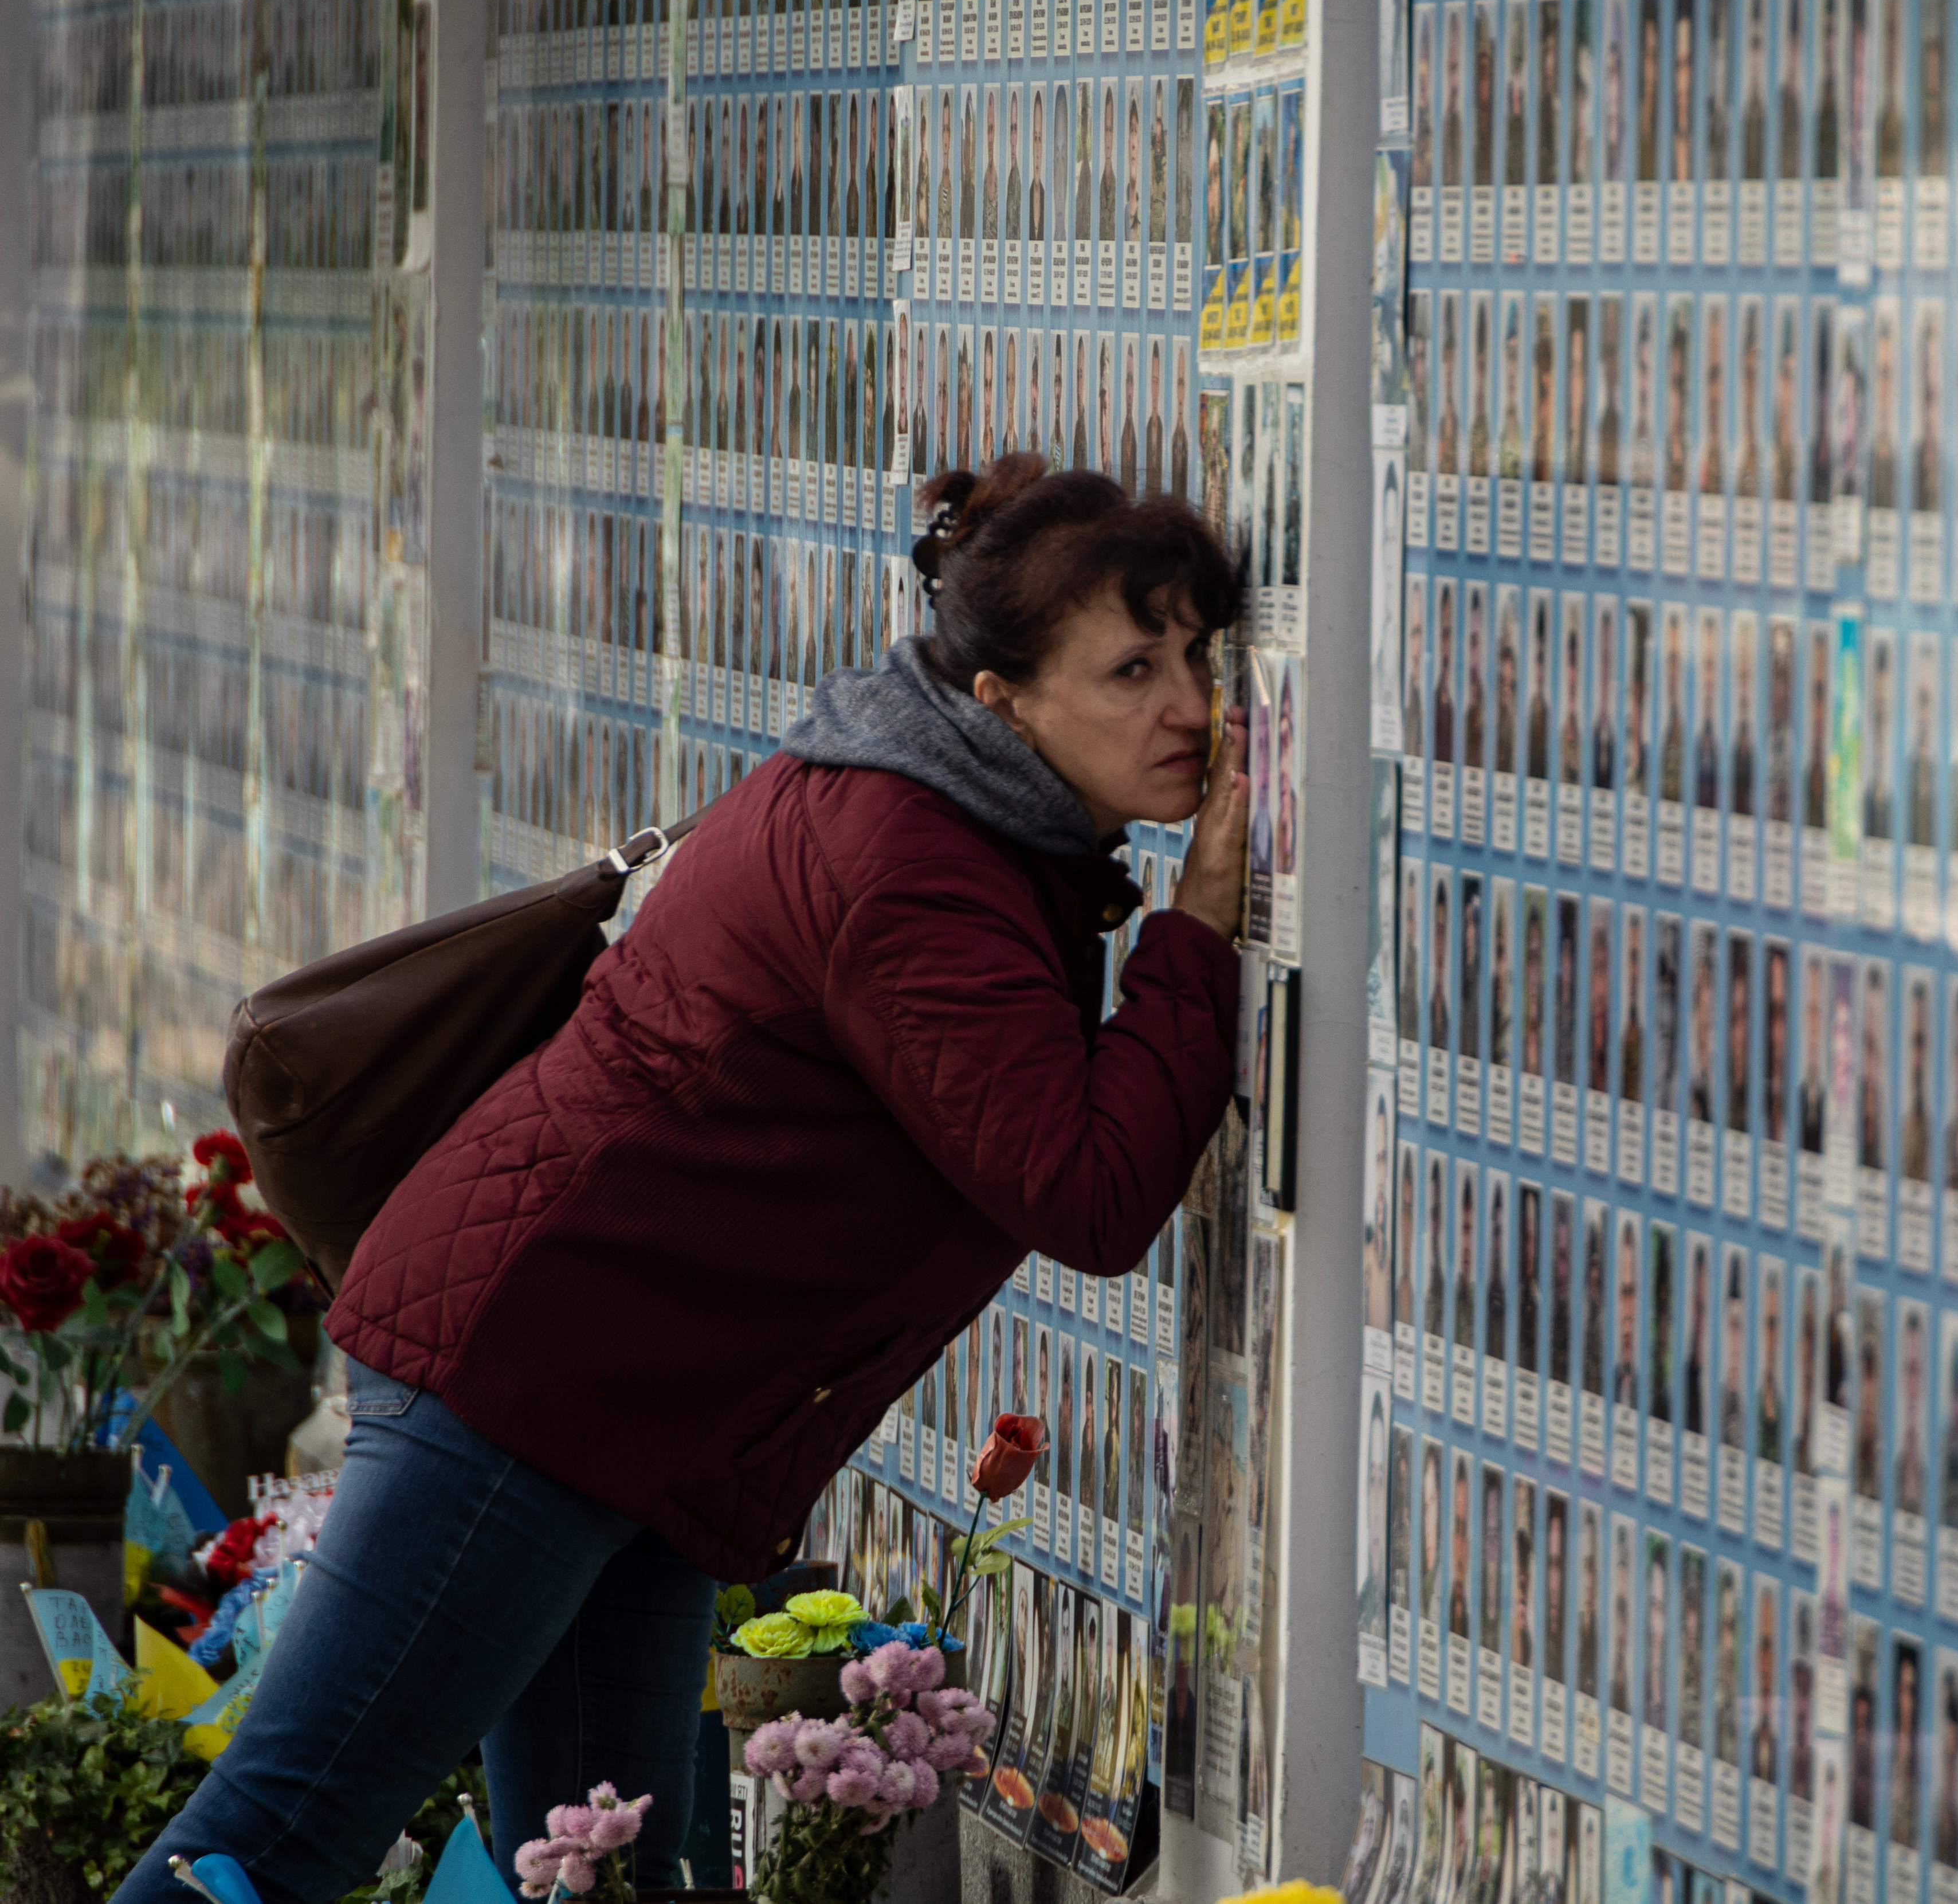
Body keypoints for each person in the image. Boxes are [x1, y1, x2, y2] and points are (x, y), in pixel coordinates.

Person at [125, 457, 1246, 1904]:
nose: (1190, 709)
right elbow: (1084, 1189)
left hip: (624, 1418)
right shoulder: (915, 862)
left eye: (1199, 655)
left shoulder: (935, 808)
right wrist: (1197, 934)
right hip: (530, 1390)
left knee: (610, 1871)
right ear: (1002, 701)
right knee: (279, 1837)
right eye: (1133, 668)